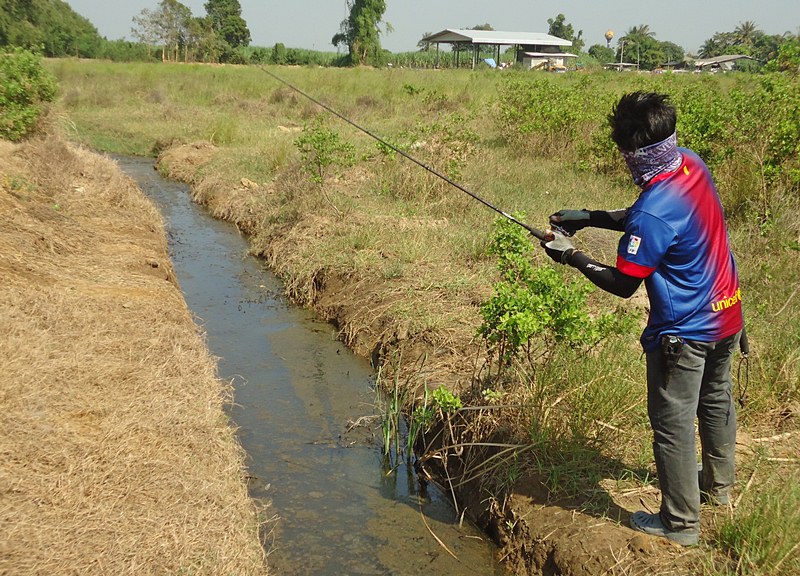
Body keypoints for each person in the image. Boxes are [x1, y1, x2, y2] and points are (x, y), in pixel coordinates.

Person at [541, 91, 744, 546]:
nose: (625, 161)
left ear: (634, 151)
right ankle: (719, 487)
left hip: (684, 335)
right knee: (715, 401)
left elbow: (624, 282)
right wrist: (590, 217)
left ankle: (680, 524)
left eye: (625, 153)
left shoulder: (651, 212)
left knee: (672, 427)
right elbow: (645, 216)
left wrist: (571, 255)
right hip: (727, 313)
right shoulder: (690, 164)